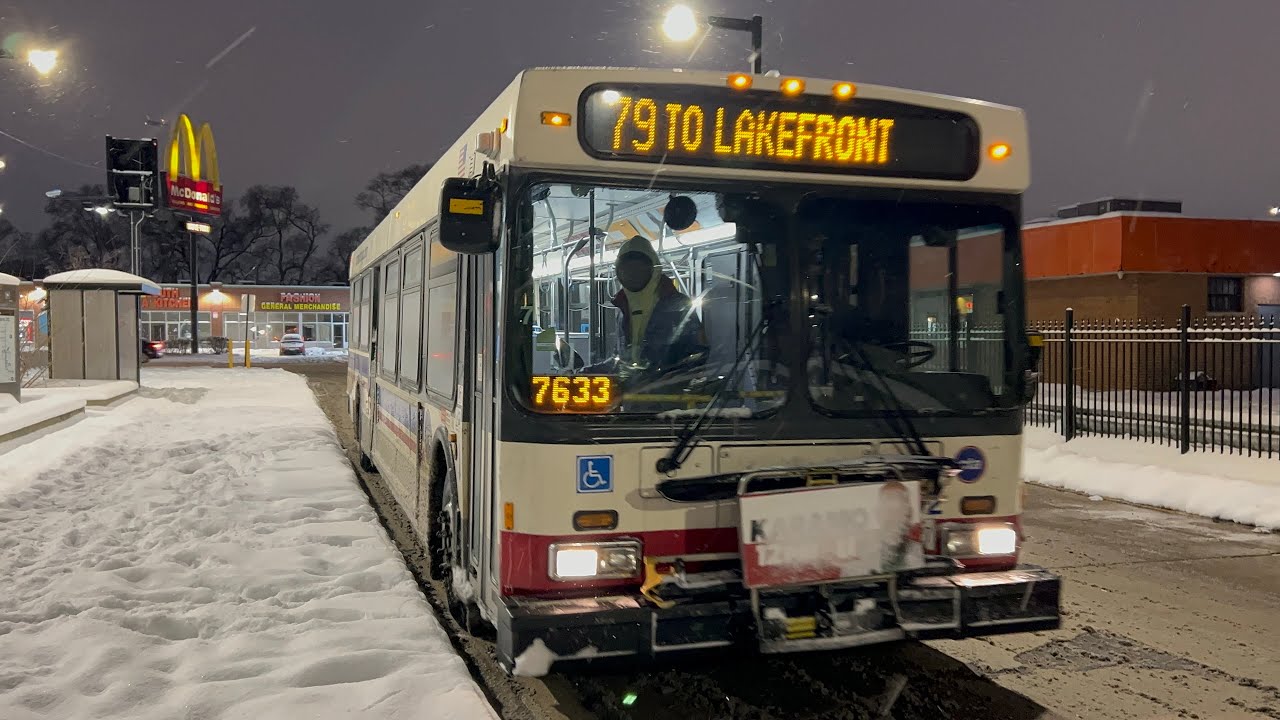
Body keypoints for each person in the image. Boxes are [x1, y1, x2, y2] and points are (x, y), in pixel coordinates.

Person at [610, 235, 706, 371]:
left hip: (668, 390)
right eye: (626, 270)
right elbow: (619, 358)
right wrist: (585, 372)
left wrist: (668, 379)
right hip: (631, 389)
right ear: (618, 272)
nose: (632, 274)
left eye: (639, 269)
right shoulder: (622, 309)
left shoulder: (678, 305)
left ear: (653, 269)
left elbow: (699, 355)